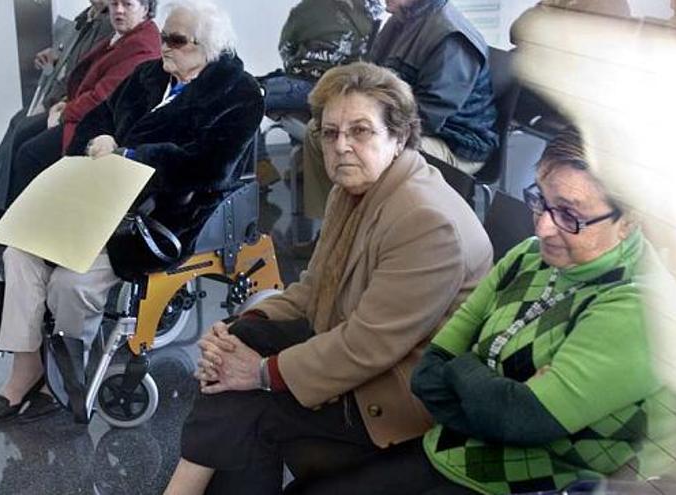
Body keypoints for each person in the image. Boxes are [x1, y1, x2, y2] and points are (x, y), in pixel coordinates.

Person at [293, 127, 676, 494]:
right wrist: (499, 400)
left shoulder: (641, 308)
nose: (544, 227)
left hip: (544, 485)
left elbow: (522, 419)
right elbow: (428, 377)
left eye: (569, 214)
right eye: (540, 201)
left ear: (629, 220)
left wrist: (467, 370)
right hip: (453, 454)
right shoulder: (529, 256)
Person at [164, 61, 493, 495]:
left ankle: (183, 486)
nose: (341, 146)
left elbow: (367, 345)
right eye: (331, 133)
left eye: (360, 131)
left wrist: (261, 373)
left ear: (398, 136)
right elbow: (314, 287)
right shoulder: (354, 188)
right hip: (360, 352)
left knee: (253, 408)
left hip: (402, 396)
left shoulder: (426, 221)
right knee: (240, 340)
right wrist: (235, 332)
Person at [0, 0, 264, 427]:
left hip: (155, 216)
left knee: (72, 282)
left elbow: (210, 168)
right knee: (20, 254)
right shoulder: (148, 76)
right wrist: (97, 142)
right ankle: (27, 371)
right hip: (95, 200)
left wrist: (130, 154)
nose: (164, 46)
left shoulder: (238, 94)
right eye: (164, 36)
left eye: (176, 40)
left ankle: (71, 363)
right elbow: (93, 121)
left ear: (209, 47)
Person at [0, 0, 161, 236]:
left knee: (29, 152)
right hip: (78, 109)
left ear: (145, 9)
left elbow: (101, 97)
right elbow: (84, 74)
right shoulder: (118, 33)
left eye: (127, 4)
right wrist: (64, 102)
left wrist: (63, 113)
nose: (119, 10)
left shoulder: (140, 45)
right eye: (115, 3)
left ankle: (19, 229)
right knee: (23, 130)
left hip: (98, 126)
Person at [302, 0, 499, 219]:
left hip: (455, 142)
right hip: (400, 121)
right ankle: (331, 227)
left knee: (377, 149)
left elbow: (430, 115)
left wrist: (372, 129)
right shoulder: (401, 20)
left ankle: (368, 232)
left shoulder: (452, 37)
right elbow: (370, 77)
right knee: (318, 132)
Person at [0, 0, 113, 217]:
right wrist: (56, 56)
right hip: (64, 94)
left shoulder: (108, 25)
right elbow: (74, 58)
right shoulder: (88, 17)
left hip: (72, 101)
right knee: (19, 121)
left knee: (23, 127)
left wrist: (55, 104)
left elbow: (88, 73)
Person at [255, 0, 383, 186]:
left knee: (244, 95)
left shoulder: (307, 8)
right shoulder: (376, 10)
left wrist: (302, 68)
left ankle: (261, 166)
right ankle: (299, 167)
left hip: (309, 83)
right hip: (344, 88)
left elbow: (286, 48)